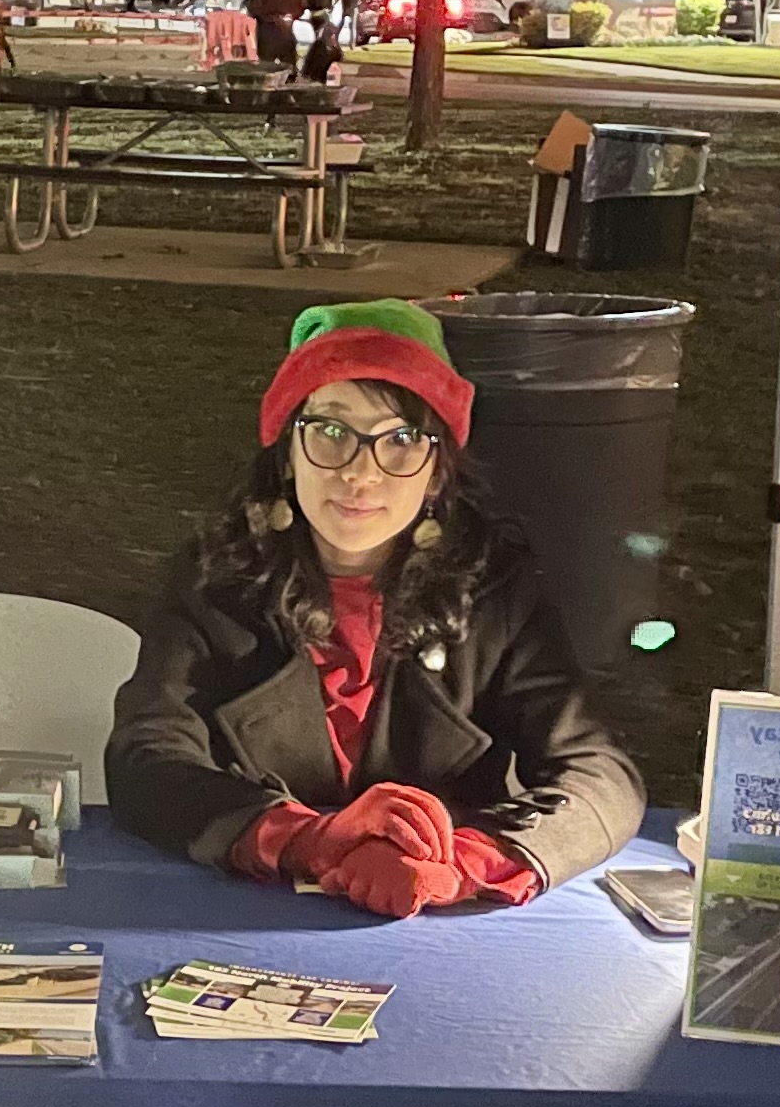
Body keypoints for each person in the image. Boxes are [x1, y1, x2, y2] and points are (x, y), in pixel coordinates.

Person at [107, 300, 644, 913]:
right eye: (332, 432)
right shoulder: (219, 578)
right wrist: (312, 840)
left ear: (437, 471)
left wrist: (467, 862)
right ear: (286, 452)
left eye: (402, 439)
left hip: (440, 928)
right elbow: (145, 760)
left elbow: (601, 773)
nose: (362, 474)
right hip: (240, 910)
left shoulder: (493, 586)